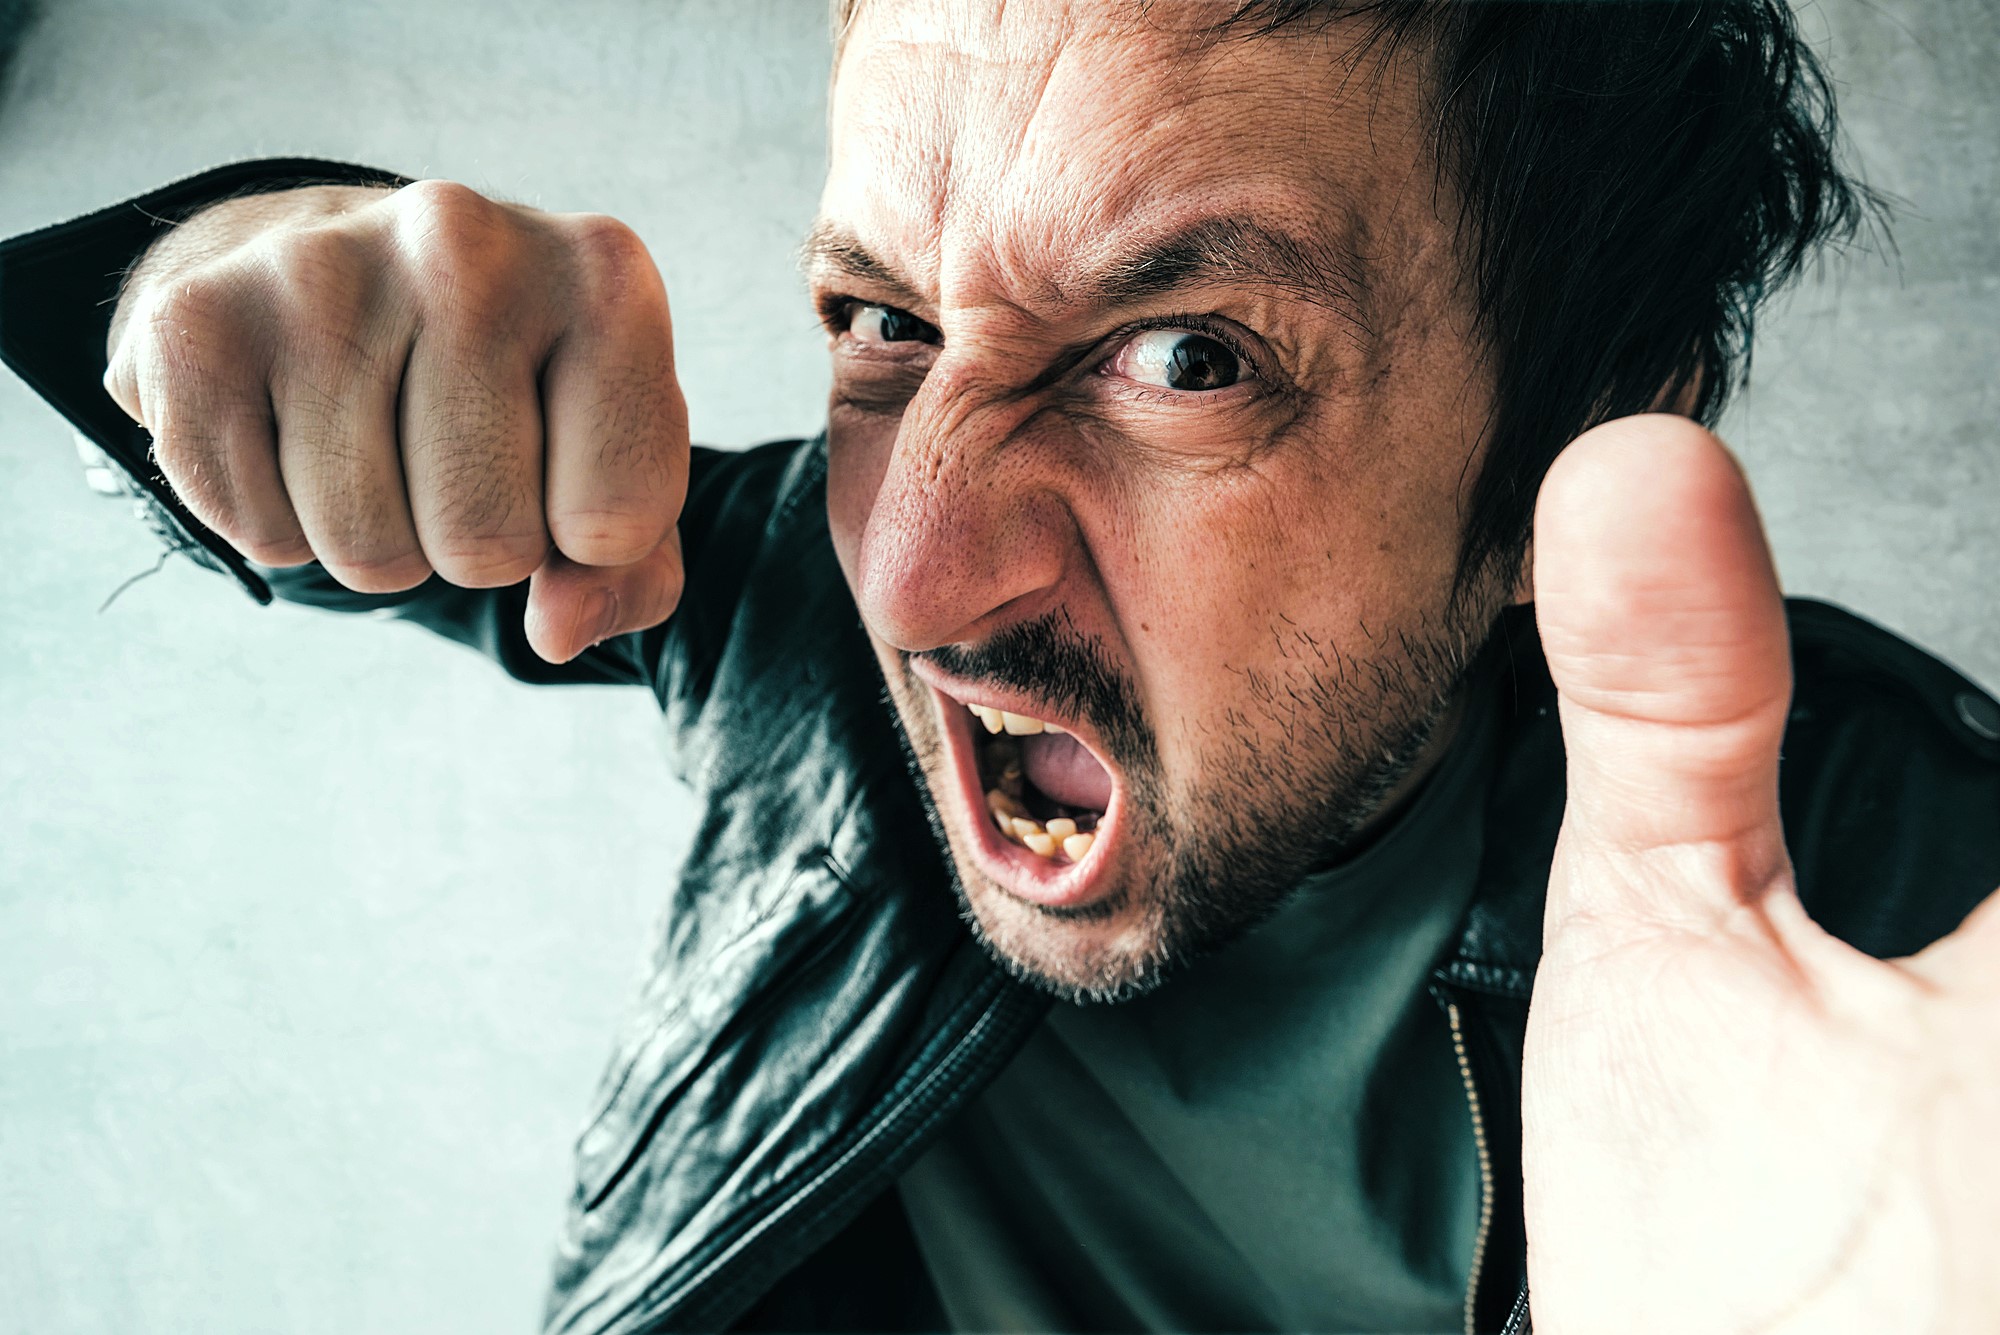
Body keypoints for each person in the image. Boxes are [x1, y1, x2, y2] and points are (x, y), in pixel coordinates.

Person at [3, 1, 1996, 1331]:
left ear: (1559, 465)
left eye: (1184, 357)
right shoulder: (780, 599)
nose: (916, 568)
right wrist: (237, 279)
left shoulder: (1905, 882)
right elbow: (260, 430)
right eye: (880, 317)